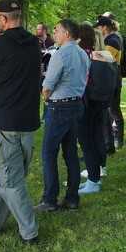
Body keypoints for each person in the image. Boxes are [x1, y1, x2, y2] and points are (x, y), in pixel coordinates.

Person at [0, 0, 41, 244]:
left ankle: (30, 232)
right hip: (28, 120)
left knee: (10, 181)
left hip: (6, 121)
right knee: (5, 177)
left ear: (4, 19)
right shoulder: (34, 43)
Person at [35, 18, 90, 212]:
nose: (55, 33)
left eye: (57, 30)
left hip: (59, 107)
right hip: (76, 104)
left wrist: (44, 97)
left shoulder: (60, 54)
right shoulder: (83, 53)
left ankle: (50, 199)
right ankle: (72, 198)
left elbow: (48, 86)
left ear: (67, 33)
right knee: (71, 153)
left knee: (49, 153)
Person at [76, 24, 115, 194]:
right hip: (102, 103)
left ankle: (93, 180)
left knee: (87, 140)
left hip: (89, 103)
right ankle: (97, 173)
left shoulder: (88, 56)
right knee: (97, 136)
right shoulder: (106, 56)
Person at [95, 14, 124, 152]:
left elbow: (107, 57)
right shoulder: (108, 39)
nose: (98, 30)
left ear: (105, 27)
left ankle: (118, 139)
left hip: (113, 79)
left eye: (99, 27)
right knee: (109, 110)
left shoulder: (113, 40)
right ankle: (110, 141)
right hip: (109, 79)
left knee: (114, 110)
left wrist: (90, 54)